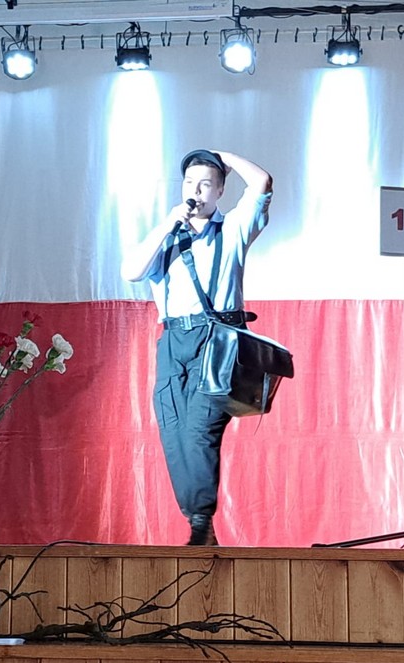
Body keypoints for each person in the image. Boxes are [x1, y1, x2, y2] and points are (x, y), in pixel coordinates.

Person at [121, 149, 273, 546]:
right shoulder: (167, 235)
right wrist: (167, 224)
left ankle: (201, 519)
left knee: (200, 428)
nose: (196, 191)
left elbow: (261, 182)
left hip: (218, 341)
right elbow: (131, 271)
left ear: (220, 190)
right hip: (173, 340)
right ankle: (197, 519)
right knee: (172, 429)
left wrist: (223, 157)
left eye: (206, 184)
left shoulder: (233, 228)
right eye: (190, 183)